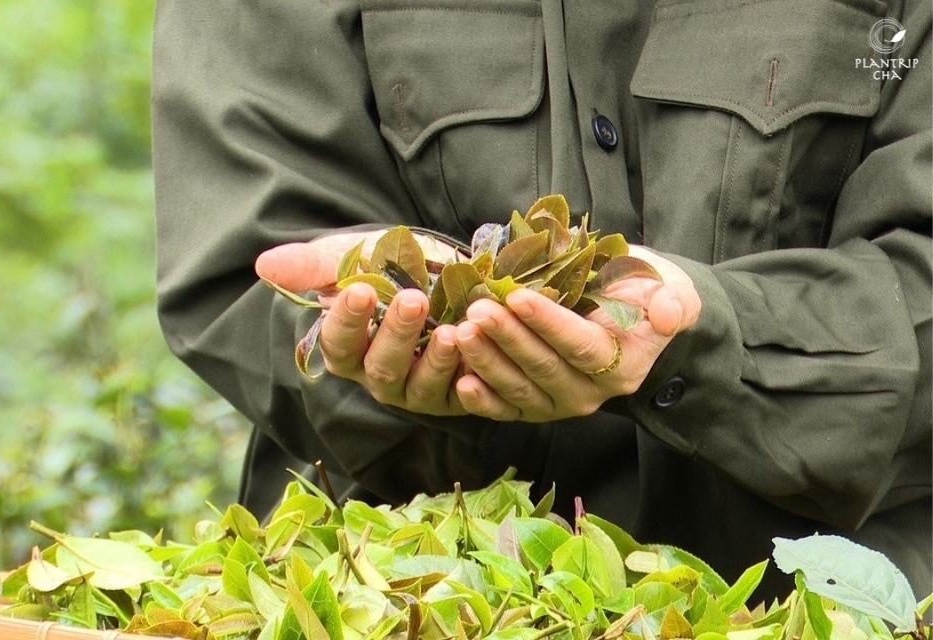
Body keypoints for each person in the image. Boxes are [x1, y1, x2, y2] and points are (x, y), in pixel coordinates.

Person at [151, 0, 932, 600]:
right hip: (407, 595)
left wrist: (718, 336)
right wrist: (408, 353)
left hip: (847, 602)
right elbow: (247, 264)